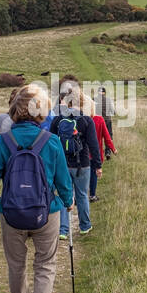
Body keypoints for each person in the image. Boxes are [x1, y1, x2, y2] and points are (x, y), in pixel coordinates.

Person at [0, 83, 72, 293]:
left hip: (11, 213)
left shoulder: (3, 142)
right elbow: (63, 181)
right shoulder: (51, 142)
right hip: (47, 212)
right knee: (45, 264)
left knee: (16, 264)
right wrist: (68, 200)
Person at [50, 81, 101, 239]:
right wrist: (97, 166)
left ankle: (63, 230)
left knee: (65, 194)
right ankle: (85, 226)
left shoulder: (58, 120)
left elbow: (51, 141)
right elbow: (94, 145)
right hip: (83, 164)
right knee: (82, 195)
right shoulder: (86, 120)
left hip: (63, 164)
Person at [87, 94, 116, 202]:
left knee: (84, 173)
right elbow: (107, 137)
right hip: (96, 150)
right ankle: (92, 195)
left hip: (84, 152)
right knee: (94, 173)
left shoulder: (82, 119)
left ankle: (79, 196)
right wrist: (113, 148)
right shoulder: (108, 100)